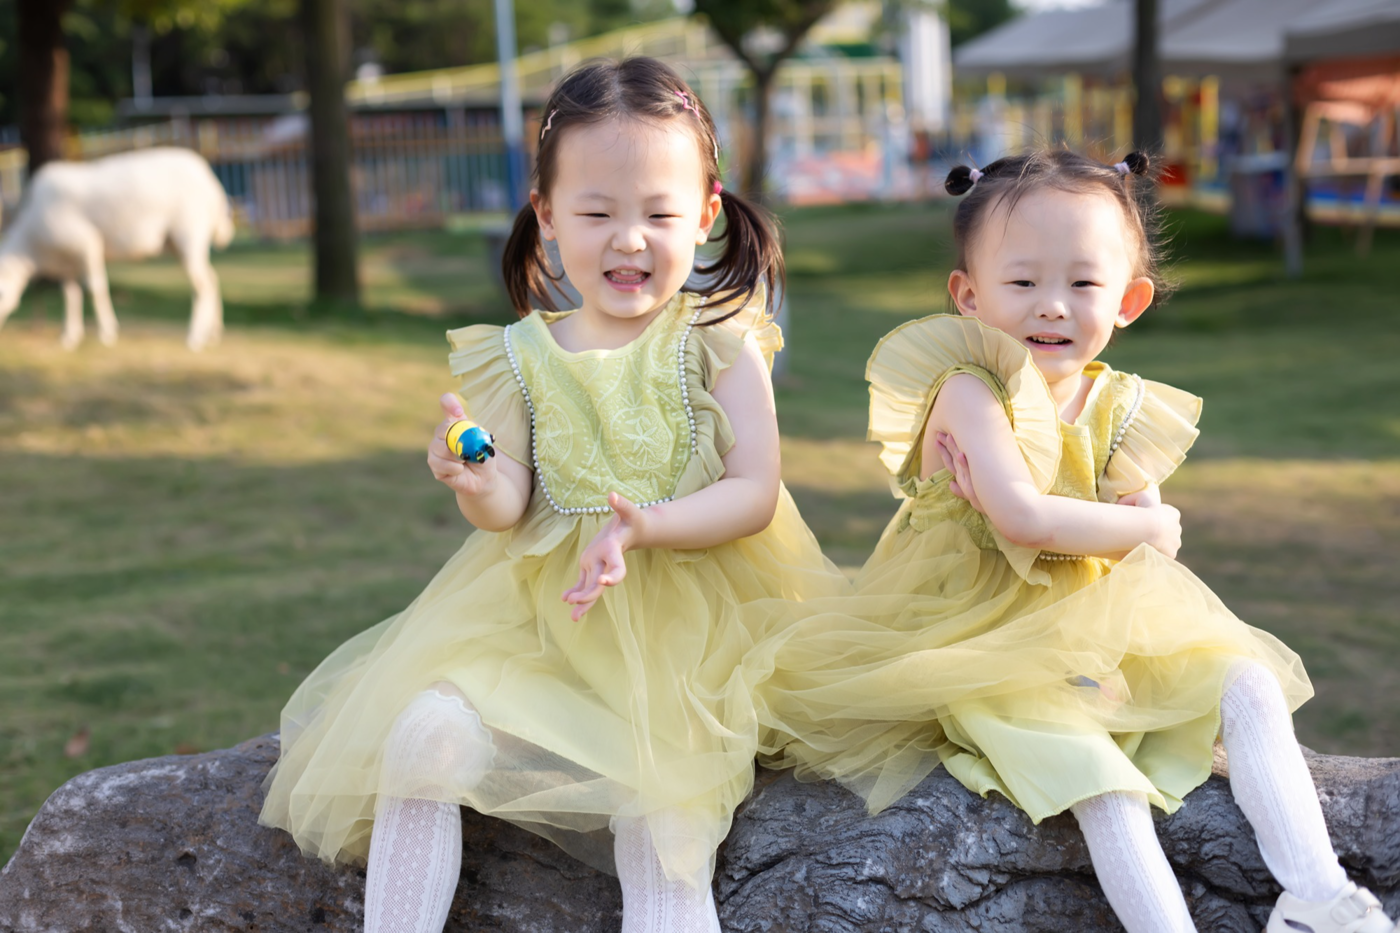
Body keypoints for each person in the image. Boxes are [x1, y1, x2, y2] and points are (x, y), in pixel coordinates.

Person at [258, 57, 846, 933]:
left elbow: (754, 491)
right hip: (543, 625)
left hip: (695, 640)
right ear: (546, 213)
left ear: (707, 213)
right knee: (419, 740)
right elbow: (508, 504)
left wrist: (647, 525)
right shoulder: (520, 355)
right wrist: (478, 479)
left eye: (659, 214)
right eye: (597, 213)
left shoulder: (720, 340)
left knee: (662, 822)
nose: (629, 240)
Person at [749, 149, 1396, 933]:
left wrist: (1140, 529)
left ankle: (1317, 896)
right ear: (969, 295)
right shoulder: (970, 392)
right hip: (981, 631)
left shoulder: (1118, 404)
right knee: (1100, 779)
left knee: (1249, 682)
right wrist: (1147, 525)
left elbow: (1142, 550)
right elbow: (1026, 518)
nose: (1052, 306)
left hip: (1095, 619)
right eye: (1023, 283)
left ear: (1128, 299)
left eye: (1083, 284)